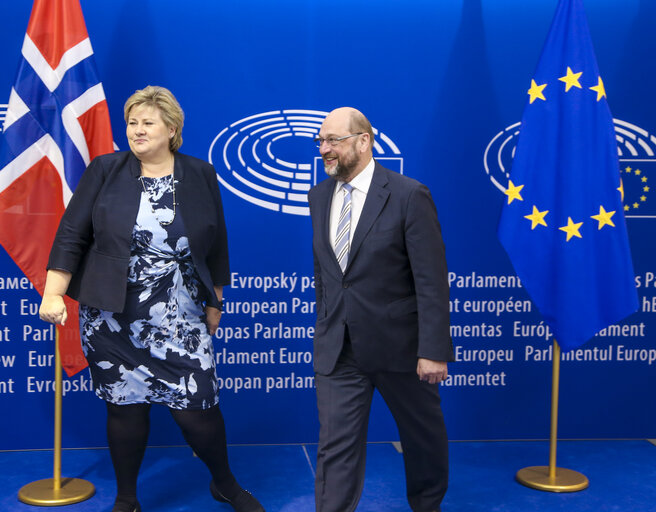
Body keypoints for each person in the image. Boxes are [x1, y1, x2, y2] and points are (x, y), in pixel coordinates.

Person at [38, 86, 264, 512]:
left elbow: (216, 242)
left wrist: (215, 299)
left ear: (171, 129)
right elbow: (71, 234)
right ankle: (127, 498)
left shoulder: (199, 174)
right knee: (125, 409)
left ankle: (225, 484)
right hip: (112, 316)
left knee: (198, 408)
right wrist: (54, 292)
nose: (137, 131)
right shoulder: (104, 170)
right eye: (132, 123)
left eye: (147, 123)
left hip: (180, 314)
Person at [307, 107, 454, 512]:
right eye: (320, 141)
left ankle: (428, 505)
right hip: (339, 347)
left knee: (422, 438)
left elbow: (431, 279)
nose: (324, 149)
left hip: (403, 348)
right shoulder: (318, 196)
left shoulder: (409, 194)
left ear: (363, 141)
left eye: (333, 140)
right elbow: (327, 273)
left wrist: (433, 349)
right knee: (335, 447)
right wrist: (325, 323)